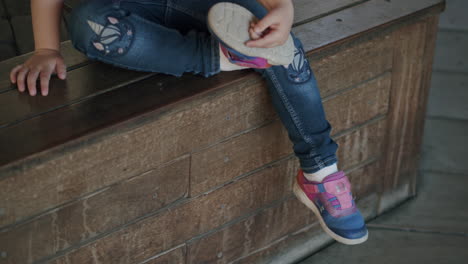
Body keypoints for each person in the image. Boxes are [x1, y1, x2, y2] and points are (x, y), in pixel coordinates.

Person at [9, 0, 368, 245]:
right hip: (130, 10)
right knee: (88, 25)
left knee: (285, 50)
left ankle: (321, 173)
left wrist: (282, 7)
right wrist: (45, 49)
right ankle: (222, 57)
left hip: (212, 4)